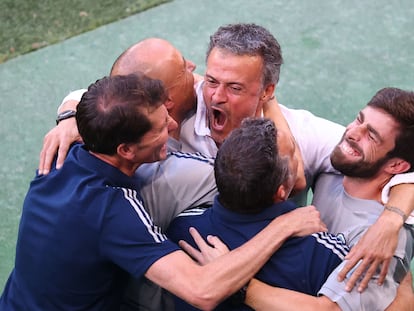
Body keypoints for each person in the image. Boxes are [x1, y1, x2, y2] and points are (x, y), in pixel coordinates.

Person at [38, 23, 414, 290]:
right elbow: (101, 91)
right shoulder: (179, 107)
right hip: (174, 269)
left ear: (267, 90)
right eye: (211, 80)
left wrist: (392, 219)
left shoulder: (301, 134)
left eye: (234, 87)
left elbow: (394, 161)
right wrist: (72, 113)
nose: (215, 96)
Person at [0, 74, 327, 311]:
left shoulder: (66, 151)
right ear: (126, 150)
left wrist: (69, 114)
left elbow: (97, 96)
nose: (172, 127)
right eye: (160, 128)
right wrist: (283, 226)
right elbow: (203, 291)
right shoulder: (112, 210)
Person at [242, 87, 414, 311]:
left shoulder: (383, 244)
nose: (352, 132)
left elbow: (329, 309)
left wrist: (236, 283)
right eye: (358, 119)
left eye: (371, 136)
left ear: (396, 165)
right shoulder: (336, 167)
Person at [167, 118, 350, 310]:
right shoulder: (323, 254)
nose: (299, 157)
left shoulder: (182, 229)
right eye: (294, 152)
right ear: (281, 191)